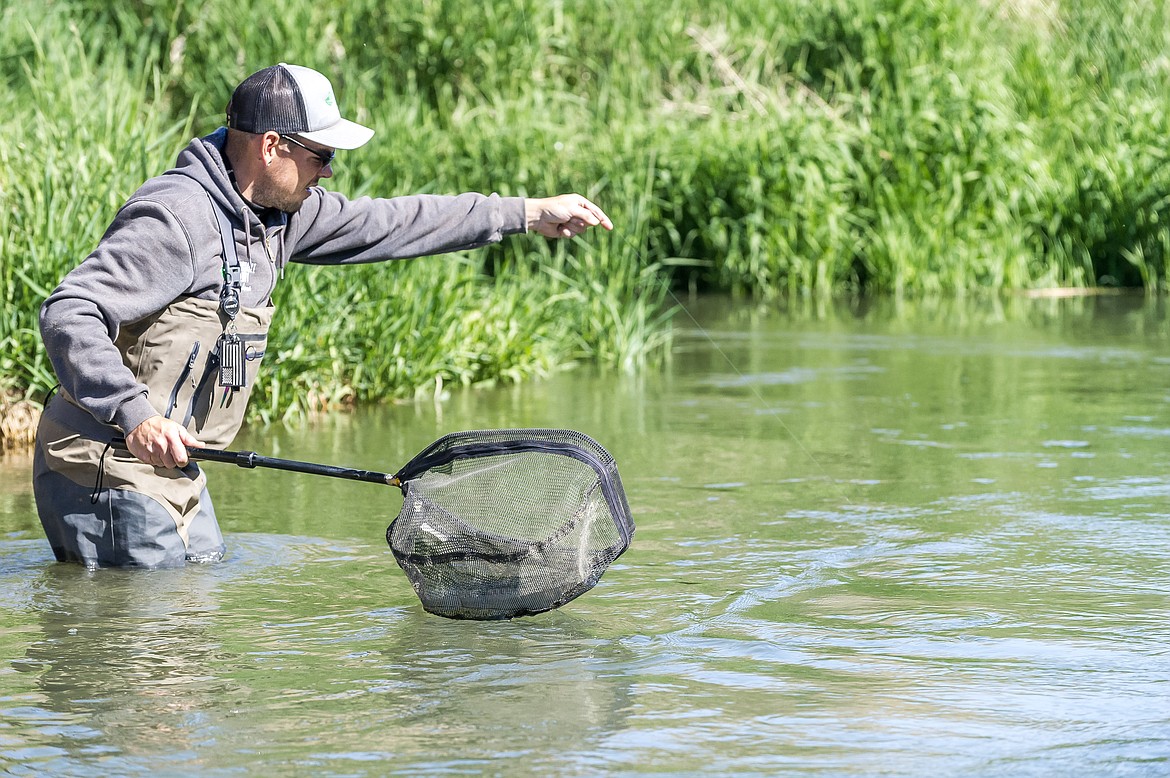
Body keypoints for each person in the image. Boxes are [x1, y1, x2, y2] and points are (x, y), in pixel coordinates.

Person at [33, 62, 612, 569]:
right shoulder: (174, 220)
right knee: (153, 655)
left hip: (174, 470)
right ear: (271, 146)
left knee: (195, 612)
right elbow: (71, 311)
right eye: (321, 155)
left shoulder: (280, 216)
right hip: (105, 463)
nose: (329, 172)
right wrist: (133, 413)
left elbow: (395, 222)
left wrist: (526, 213)